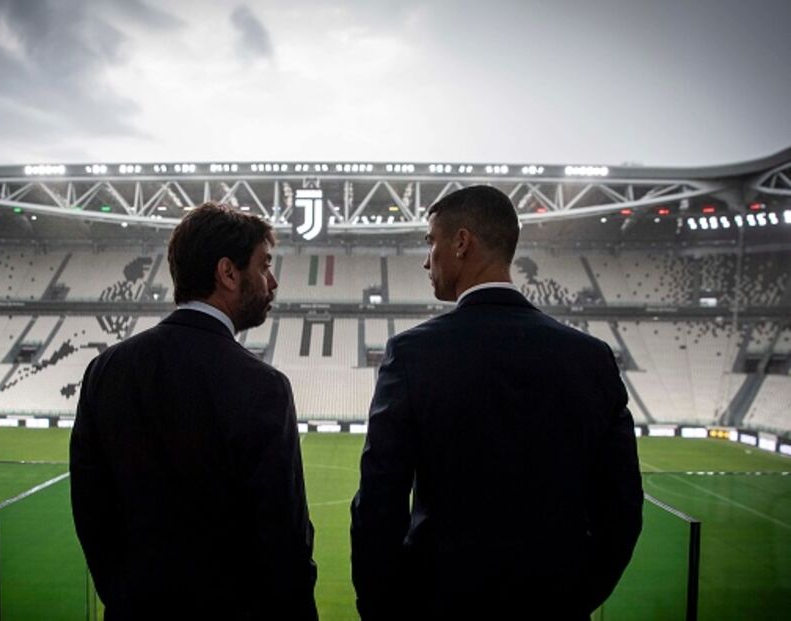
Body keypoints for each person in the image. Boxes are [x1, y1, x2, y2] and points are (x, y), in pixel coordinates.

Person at [350, 186, 643, 620]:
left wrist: (386, 610)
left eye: (431, 241)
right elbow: (621, 508)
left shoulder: (414, 354)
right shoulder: (590, 356)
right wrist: (575, 596)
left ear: (461, 242)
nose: (427, 259)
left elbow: (379, 503)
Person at [70, 203, 317, 620]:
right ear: (227, 272)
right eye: (264, 266)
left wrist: (124, 596)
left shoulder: (106, 370)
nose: (272, 282)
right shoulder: (262, 386)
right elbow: (284, 537)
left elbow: (90, 510)